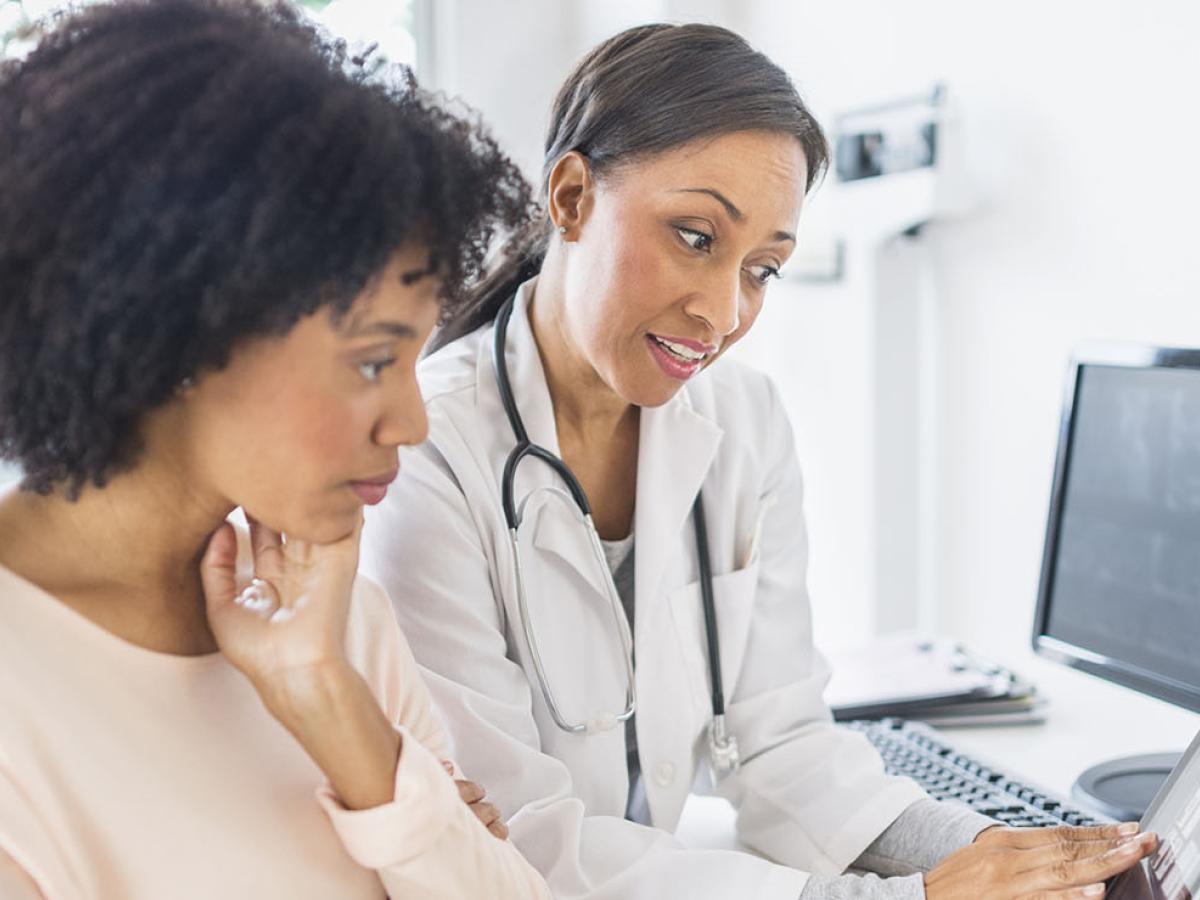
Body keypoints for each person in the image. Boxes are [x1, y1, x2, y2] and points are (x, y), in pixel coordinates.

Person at [359, 21, 1158, 900]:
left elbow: (786, 752)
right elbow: (522, 844)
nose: (722, 312)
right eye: (696, 236)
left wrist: (1018, 858)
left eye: (763, 269)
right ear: (573, 195)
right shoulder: (423, 455)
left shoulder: (744, 422)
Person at [0, 1, 550, 897]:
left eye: (415, 356)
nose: (411, 422)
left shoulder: (337, 627)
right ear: (174, 333)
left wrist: (333, 708)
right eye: (373, 360)